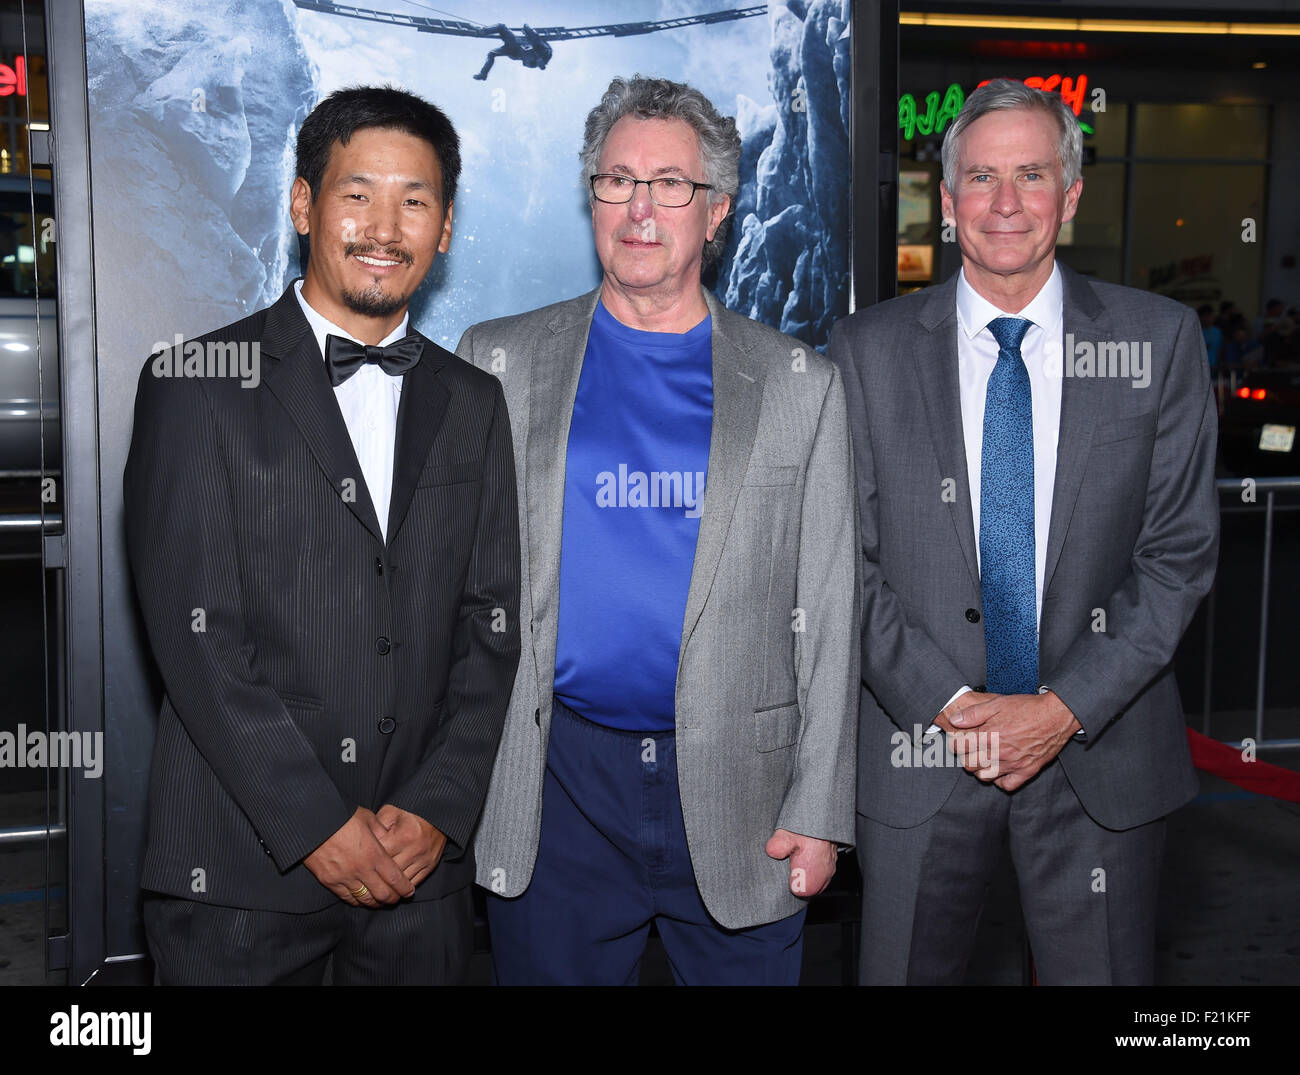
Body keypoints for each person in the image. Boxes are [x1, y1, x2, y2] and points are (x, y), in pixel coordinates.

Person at [457, 75, 859, 985]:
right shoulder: (499, 359)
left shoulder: (800, 383)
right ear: (591, 196)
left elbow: (832, 609)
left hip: (741, 791)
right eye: (616, 180)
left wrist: (823, 808)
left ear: (715, 211)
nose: (640, 208)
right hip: (556, 785)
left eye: (671, 184)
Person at [123, 86, 521, 985]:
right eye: (357, 193)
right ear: (304, 205)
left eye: (414, 200)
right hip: (237, 878)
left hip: (420, 884)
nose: (385, 226)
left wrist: (437, 808)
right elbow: (197, 642)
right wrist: (317, 827)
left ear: (446, 227)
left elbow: (492, 626)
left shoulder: (474, 403)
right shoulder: (194, 382)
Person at [830, 79, 1218, 985]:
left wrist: (1061, 710)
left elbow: (1178, 557)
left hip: (1101, 760)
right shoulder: (864, 351)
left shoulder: (1156, 342)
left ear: (1071, 195)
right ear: (951, 199)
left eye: (1032, 175)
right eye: (981, 177)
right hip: (918, 751)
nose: (1005, 203)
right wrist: (958, 712)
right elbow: (844, 563)